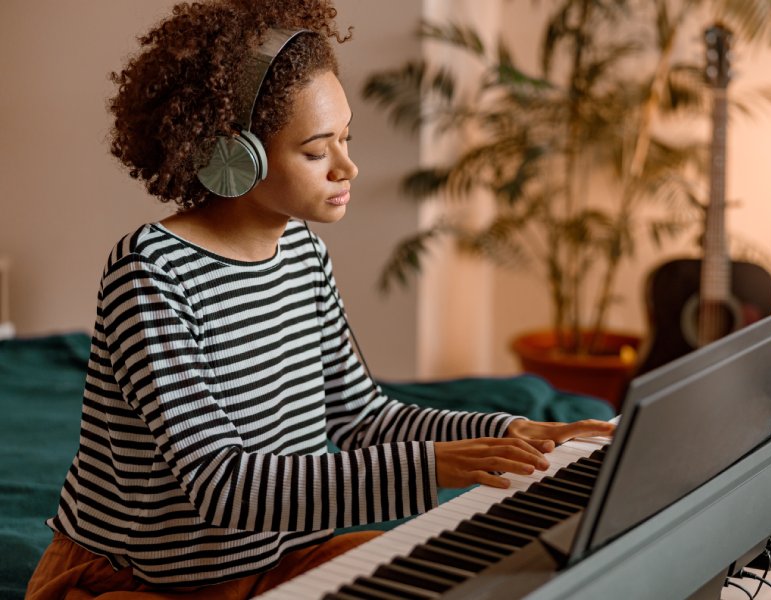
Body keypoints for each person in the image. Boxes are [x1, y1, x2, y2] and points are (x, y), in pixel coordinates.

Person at [24, 0, 614, 598]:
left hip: (289, 556)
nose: (347, 167)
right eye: (315, 151)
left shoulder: (303, 253)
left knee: (485, 574)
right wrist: (434, 465)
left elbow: (362, 418)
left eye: (346, 138)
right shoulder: (150, 272)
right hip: (146, 581)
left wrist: (507, 431)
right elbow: (220, 483)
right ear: (233, 157)